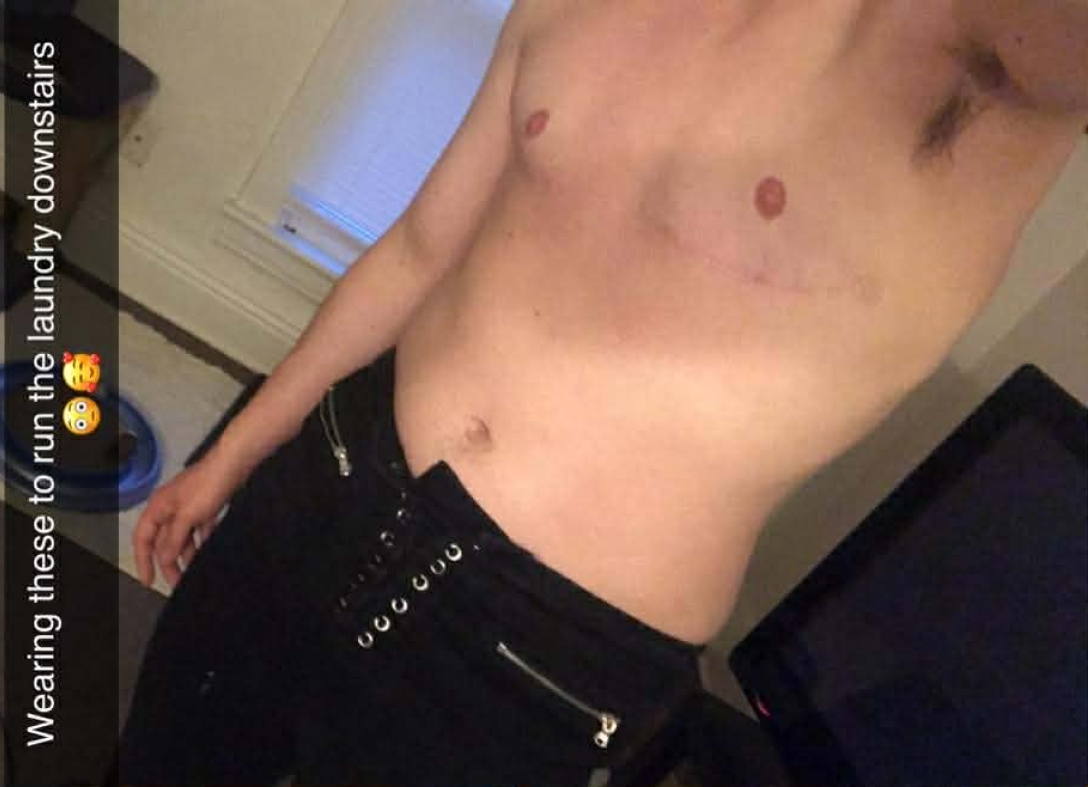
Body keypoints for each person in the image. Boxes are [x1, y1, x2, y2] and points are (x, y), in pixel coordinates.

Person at [115, 0, 1087, 784]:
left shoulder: (977, 54)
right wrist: (237, 449)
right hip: (336, 470)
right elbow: (418, 251)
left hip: (537, 651)